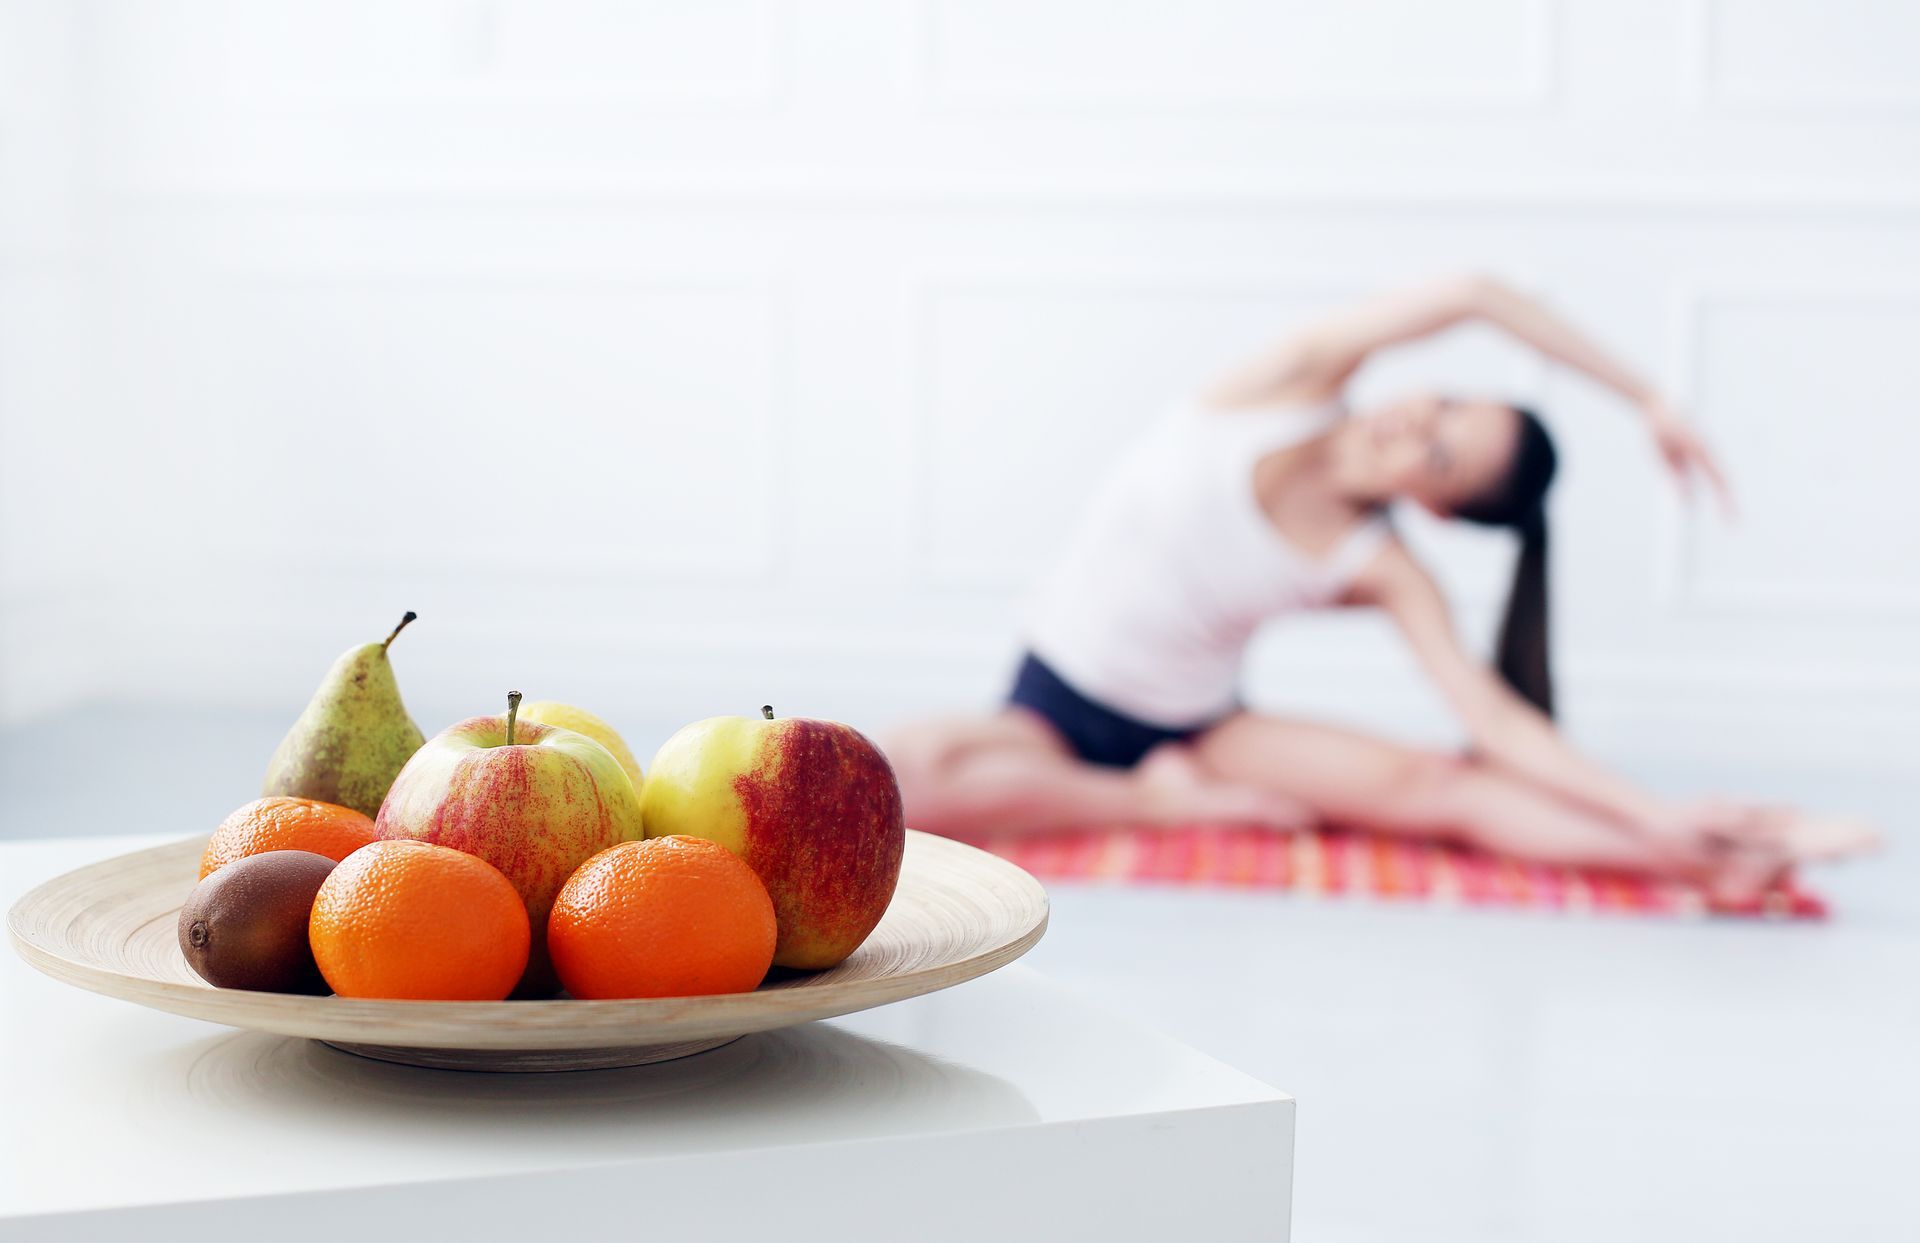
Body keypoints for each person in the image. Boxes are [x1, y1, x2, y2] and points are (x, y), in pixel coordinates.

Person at [884, 274, 1874, 903]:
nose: (1414, 422)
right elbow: (1481, 293)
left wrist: (1654, 814)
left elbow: (1491, 727)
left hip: (1204, 725)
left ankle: (1715, 861)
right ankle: (1162, 806)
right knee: (904, 778)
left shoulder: (1384, 565)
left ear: (1434, 506)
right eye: (1441, 401)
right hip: (1059, 699)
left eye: (1439, 453)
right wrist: (1650, 397)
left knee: (1443, 789)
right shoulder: (1288, 385)